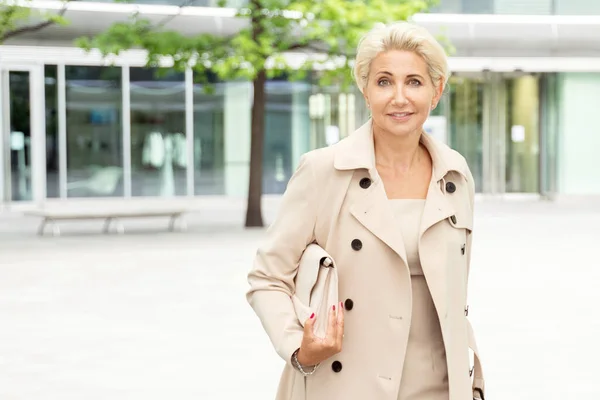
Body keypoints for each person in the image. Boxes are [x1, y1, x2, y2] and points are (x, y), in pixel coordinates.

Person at [246, 21, 484, 400]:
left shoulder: (455, 175)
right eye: (384, 81)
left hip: (440, 387)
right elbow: (267, 277)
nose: (399, 97)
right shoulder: (324, 171)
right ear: (365, 89)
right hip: (346, 384)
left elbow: (456, 295)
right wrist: (298, 346)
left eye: (415, 82)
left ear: (436, 91)